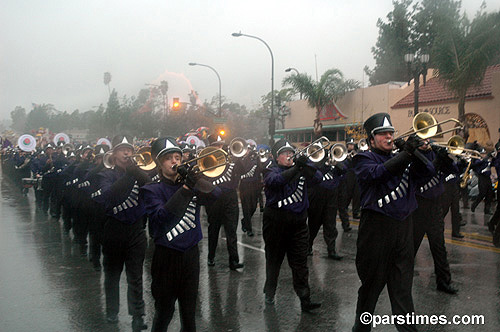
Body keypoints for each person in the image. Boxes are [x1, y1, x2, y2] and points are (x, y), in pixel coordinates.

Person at [352, 113, 434, 332]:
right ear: (371, 139)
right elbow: (378, 174)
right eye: (382, 134)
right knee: (371, 289)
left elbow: (428, 173)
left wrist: (424, 151)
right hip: (376, 230)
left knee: (402, 291)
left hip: (404, 228)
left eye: (390, 132)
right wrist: (407, 153)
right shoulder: (363, 158)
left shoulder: (405, 156)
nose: (388, 137)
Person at [141, 137, 220, 332]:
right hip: (166, 257)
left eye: (178, 157)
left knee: (189, 313)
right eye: (169, 158)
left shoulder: (189, 185)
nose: (175, 161)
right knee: (164, 313)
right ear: (160, 163)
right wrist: (185, 189)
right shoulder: (151, 189)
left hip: (190, 256)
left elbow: (216, 195)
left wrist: (196, 179)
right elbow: (162, 217)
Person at [93, 135, 149, 331]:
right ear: (114, 154)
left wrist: (137, 173)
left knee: (135, 275)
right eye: (122, 150)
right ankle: (112, 310)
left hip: (136, 230)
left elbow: (150, 186)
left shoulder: (139, 172)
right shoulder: (106, 175)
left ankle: (138, 315)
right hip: (114, 230)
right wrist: (129, 175)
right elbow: (109, 195)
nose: (127, 153)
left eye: (129, 150)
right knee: (112, 274)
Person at [262, 139, 322, 312]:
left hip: (298, 224)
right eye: (284, 153)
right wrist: (297, 168)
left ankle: (305, 299)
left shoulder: (301, 168)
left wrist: (306, 165)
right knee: (274, 260)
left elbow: (318, 179)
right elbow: (275, 182)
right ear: (276, 157)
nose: (289, 156)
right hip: (275, 223)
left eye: (291, 152)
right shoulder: (270, 169)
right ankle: (270, 292)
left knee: (300, 263)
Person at [412, 141, 458, 294]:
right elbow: (425, 172)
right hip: (418, 206)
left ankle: (444, 281)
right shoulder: (413, 155)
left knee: (439, 247)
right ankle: (399, 279)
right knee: (410, 247)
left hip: (435, 206)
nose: (425, 143)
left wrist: (448, 158)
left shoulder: (435, 153)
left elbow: (453, 171)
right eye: (421, 139)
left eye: (427, 139)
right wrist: (438, 159)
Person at [205, 134, 246, 270]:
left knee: (231, 231)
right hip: (214, 199)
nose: (219, 147)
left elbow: (242, 171)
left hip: (230, 199)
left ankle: (234, 261)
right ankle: (211, 256)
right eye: (216, 145)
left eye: (221, 145)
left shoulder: (230, 160)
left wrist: (238, 157)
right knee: (214, 230)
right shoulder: (206, 160)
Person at [307, 147, 346, 259]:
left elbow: (344, 170)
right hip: (317, 196)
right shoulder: (316, 163)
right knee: (313, 224)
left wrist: (336, 163)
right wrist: (322, 162)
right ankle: (308, 246)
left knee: (331, 225)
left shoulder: (334, 165)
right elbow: (311, 171)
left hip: (331, 197)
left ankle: (331, 250)